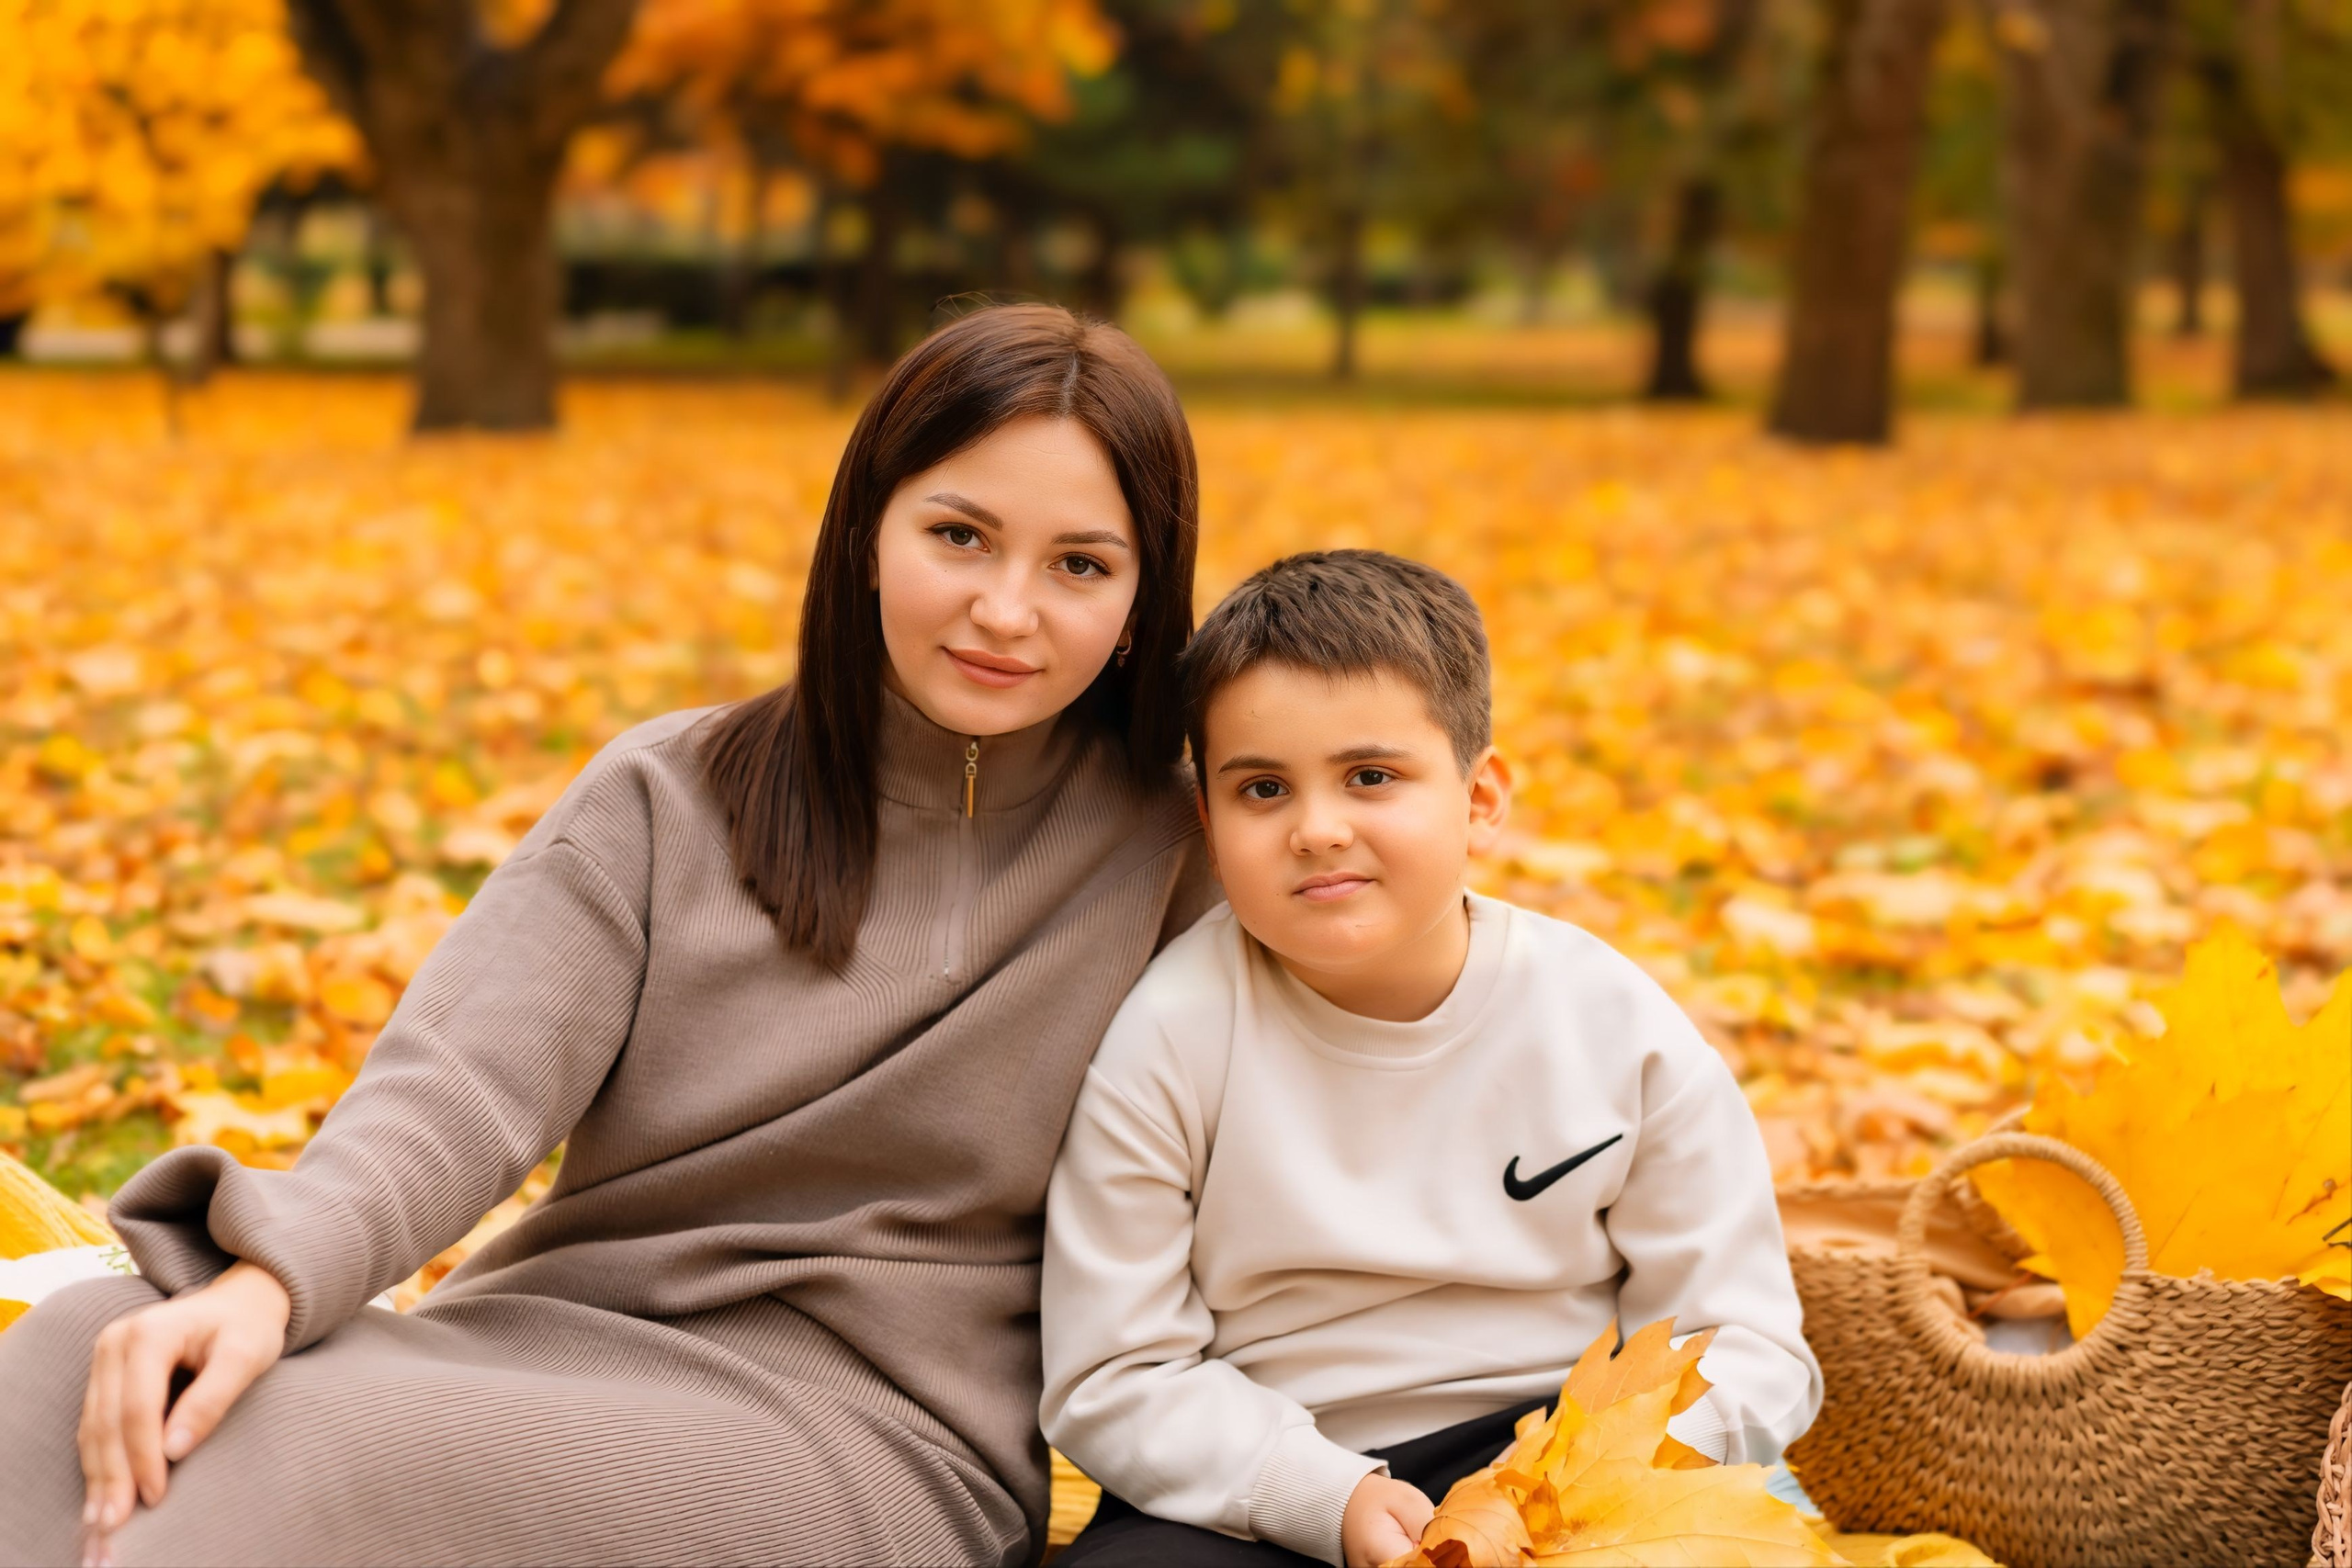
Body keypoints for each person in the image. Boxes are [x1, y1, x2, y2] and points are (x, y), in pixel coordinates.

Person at [0, 303, 1214, 1568]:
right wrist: (270, 1278)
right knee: (77, 1351)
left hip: (876, 1430)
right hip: (551, 1342)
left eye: (1080, 564)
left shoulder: (1178, 854)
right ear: (864, 534)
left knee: (282, 1445)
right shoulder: (673, 791)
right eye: (959, 535)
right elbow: (454, 1089)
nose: (1006, 609)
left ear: (1141, 596)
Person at [1039, 550, 1821, 1568]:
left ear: (1480, 796)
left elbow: (1743, 1345)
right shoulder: (1169, 1038)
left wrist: (1568, 1491)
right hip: (1273, 1465)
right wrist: (1326, 1496)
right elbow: (1115, 1372)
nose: (1318, 830)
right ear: (1208, 819)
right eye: (1262, 789)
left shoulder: (1609, 1025)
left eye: (1371, 777)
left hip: (1558, 1449)